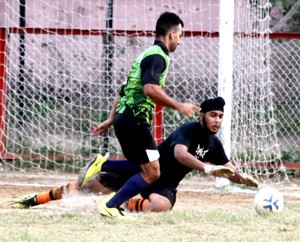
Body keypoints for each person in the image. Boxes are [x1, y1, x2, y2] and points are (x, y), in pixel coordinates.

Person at [12, 97, 259, 213]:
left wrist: (243, 179)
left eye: (220, 116)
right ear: (202, 115)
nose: (217, 120)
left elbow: (229, 168)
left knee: (161, 207)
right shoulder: (188, 130)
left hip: (164, 184)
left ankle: (117, 205)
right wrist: (205, 168)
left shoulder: (215, 144)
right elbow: (180, 154)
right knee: (87, 186)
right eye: (213, 115)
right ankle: (36, 199)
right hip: (143, 172)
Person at [85, 11, 199, 218]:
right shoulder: (158, 56)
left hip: (126, 119)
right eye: (180, 35)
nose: (181, 42)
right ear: (172, 34)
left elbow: (124, 90)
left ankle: (104, 171)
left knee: (144, 166)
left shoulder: (146, 54)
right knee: (153, 172)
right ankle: (110, 202)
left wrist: (112, 119)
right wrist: (179, 106)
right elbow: (150, 89)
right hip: (135, 121)